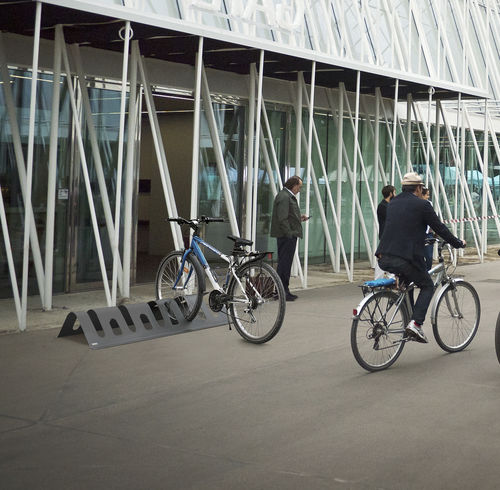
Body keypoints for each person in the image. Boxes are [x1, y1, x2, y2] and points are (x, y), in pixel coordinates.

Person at [375, 172, 465, 343]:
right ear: (418, 188)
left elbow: (403, 227)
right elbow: (440, 228)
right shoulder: (422, 205)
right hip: (405, 257)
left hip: (384, 255)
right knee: (427, 286)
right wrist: (458, 243)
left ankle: (408, 319)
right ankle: (415, 324)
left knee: (407, 283)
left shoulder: (393, 203)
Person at [270, 175, 309, 301]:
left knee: (285, 264)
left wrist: (299, 218)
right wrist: (289, 233)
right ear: (293, 185)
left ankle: (282, 290)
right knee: (284, 264)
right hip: (286, 236)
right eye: (299, 186)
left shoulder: (286, 196)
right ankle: (282, 291)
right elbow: (282, 218)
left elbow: (287, 216)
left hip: (287, 234)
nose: (299, 189)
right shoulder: (285, 197)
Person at [374, 184, 396, 280]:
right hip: (385, 236)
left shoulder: (388, 205)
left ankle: (391, 277)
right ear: (390, 194)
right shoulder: (383, 206)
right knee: (384, 258)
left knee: (389, 257)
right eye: (394, 192)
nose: (395, 194)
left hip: (388, 236)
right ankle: (381, 278)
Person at [421, 187, 434, 271]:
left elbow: (432, 218)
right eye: (427, 195)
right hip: (419, 234)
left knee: (429, 256)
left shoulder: (429, 204)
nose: (428, 197)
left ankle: (427, 272)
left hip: (428, 234)